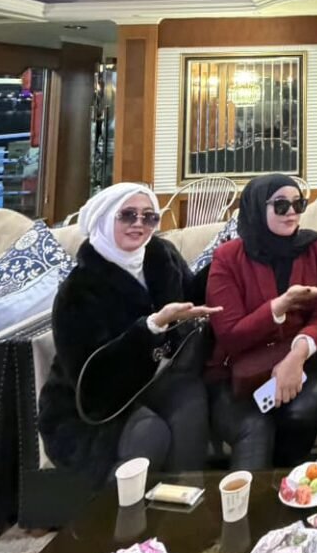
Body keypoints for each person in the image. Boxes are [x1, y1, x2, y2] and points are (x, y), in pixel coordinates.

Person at [38, 183, 216, 486]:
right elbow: (92, 384)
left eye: (149, 217)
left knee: (190, 400)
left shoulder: (161, 255)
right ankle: (119, 515)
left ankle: (184, 505)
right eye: (128, 215)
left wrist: (226, 263)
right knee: (150, 433)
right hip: (91, 403)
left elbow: (189, 296)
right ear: (105, 218)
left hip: (154, 379)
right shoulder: (78, 290)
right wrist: (150, 327)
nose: (139, 224)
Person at [207, 174, 317, 469]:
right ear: (256, 207)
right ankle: (251, 497)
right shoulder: (228, 257)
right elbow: (229, 334)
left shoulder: (314, 247)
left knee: (302, 410)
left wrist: (297, 355)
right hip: (238, 370)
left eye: (298, 204)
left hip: (297, 355)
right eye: (280, 205)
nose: (291, 212)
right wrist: (278, 307)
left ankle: (290, 486)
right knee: (255, 428)